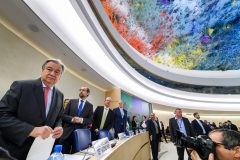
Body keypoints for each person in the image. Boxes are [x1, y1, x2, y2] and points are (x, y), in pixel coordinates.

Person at [0, 59, 65, 160]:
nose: (53, 73)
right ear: (42, 70)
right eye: (49, 69)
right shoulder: (21, 86)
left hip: (41, 151)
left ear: (60, 76)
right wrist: (32, 130)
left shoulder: (60, 95)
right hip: (14, 150)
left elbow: (59, 117)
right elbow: (2, 115)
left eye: (57, 72)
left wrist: (58, 127)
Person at [60, 87, 93, 154]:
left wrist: (81, 120)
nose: (81, 91)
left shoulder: (90, 106)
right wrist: (72, 119)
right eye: (80, 90)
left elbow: (90, 120)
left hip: (80, 135)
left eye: (83, 90)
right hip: (67, 133)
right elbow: (63, 115)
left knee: (76, 154)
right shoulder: (71, 101)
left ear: (88, 93)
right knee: (63, 153)